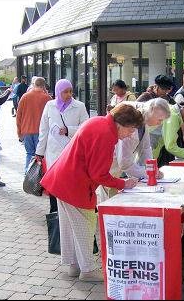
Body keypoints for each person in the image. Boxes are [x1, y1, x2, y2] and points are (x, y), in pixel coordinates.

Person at [40, 104, 143, 282]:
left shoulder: (98, 122)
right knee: (85, 225)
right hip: (74, 184)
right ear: (122, 123)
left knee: (70, 226)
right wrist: (122, 183)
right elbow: (99, 174)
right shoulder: (106, 134)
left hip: (62, 179)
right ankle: (87, 269)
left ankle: (75, 265)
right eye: (131, 129)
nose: (131, 134)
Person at [99, 98, 171, 201]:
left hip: (114, 170)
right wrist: (148, 173)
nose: (160, 123)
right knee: (109, 204)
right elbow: (124, 163)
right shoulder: (129, 118)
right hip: (109, 169)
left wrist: (152, 169)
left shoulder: (143, 116)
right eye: (159, 119)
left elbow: (145, 147)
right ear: (151, 110)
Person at [35, 79, 89, 213]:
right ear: (59, 92)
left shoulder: (79, 106)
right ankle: (55, 212)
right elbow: (44, 129)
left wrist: (69, 130)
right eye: (65, 92)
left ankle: (71, 211)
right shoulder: (50, 105)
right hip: (53, 151)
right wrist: (39, 151)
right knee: (54, 182)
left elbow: (86, 127)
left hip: (72, 150)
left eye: (71, 91)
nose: (69, 94)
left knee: (70, 182)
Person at [16, 77, 52, 174]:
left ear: (33, 85)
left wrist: (19, 132)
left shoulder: (25, 97)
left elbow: (18, 116)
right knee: (41, 155)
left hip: (26, 130)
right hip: (41, 132)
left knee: (29, 154)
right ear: (44, 86)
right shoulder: (47, 98)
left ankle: (27, 174)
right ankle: (39, 177)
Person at [151, 102, 184, 167]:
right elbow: (170, 146)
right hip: (148, 147)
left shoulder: (173, 112)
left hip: (151, 148)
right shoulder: (173, 117)